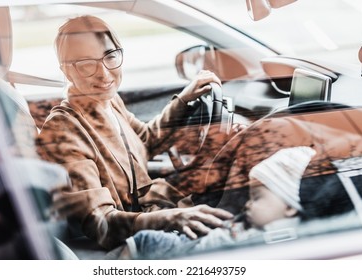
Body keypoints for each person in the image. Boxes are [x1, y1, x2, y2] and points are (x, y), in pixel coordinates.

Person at [36, 15, 234, 251]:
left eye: (110, 56)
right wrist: (170, 219)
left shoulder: (108, 101)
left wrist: (183, 99)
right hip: (133, 241)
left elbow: (145, 140)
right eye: (87, 64)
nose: (104, 74)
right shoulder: (62, 131)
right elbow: (101, 223)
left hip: (158, 208)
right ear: (68, 71)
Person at [121, 146, 317, 259]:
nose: (247, 204)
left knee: (144, 240)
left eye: (256, 198)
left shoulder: (281, 233)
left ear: (291, 207)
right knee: (143, 240)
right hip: (198, 242)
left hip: (196, 253)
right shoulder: (263, 222)